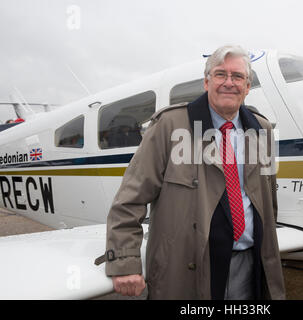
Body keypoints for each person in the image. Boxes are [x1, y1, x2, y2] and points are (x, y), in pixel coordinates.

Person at [101, 45, 285, 300]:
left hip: (248, 262)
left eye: (237, 76)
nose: (229, 83)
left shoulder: (261, 128)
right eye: (220, 74)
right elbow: (129, 200)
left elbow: (267, 202)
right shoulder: (169, 126)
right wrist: (124, 261)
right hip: (192, 267)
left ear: (247, 86)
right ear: (206, 82)